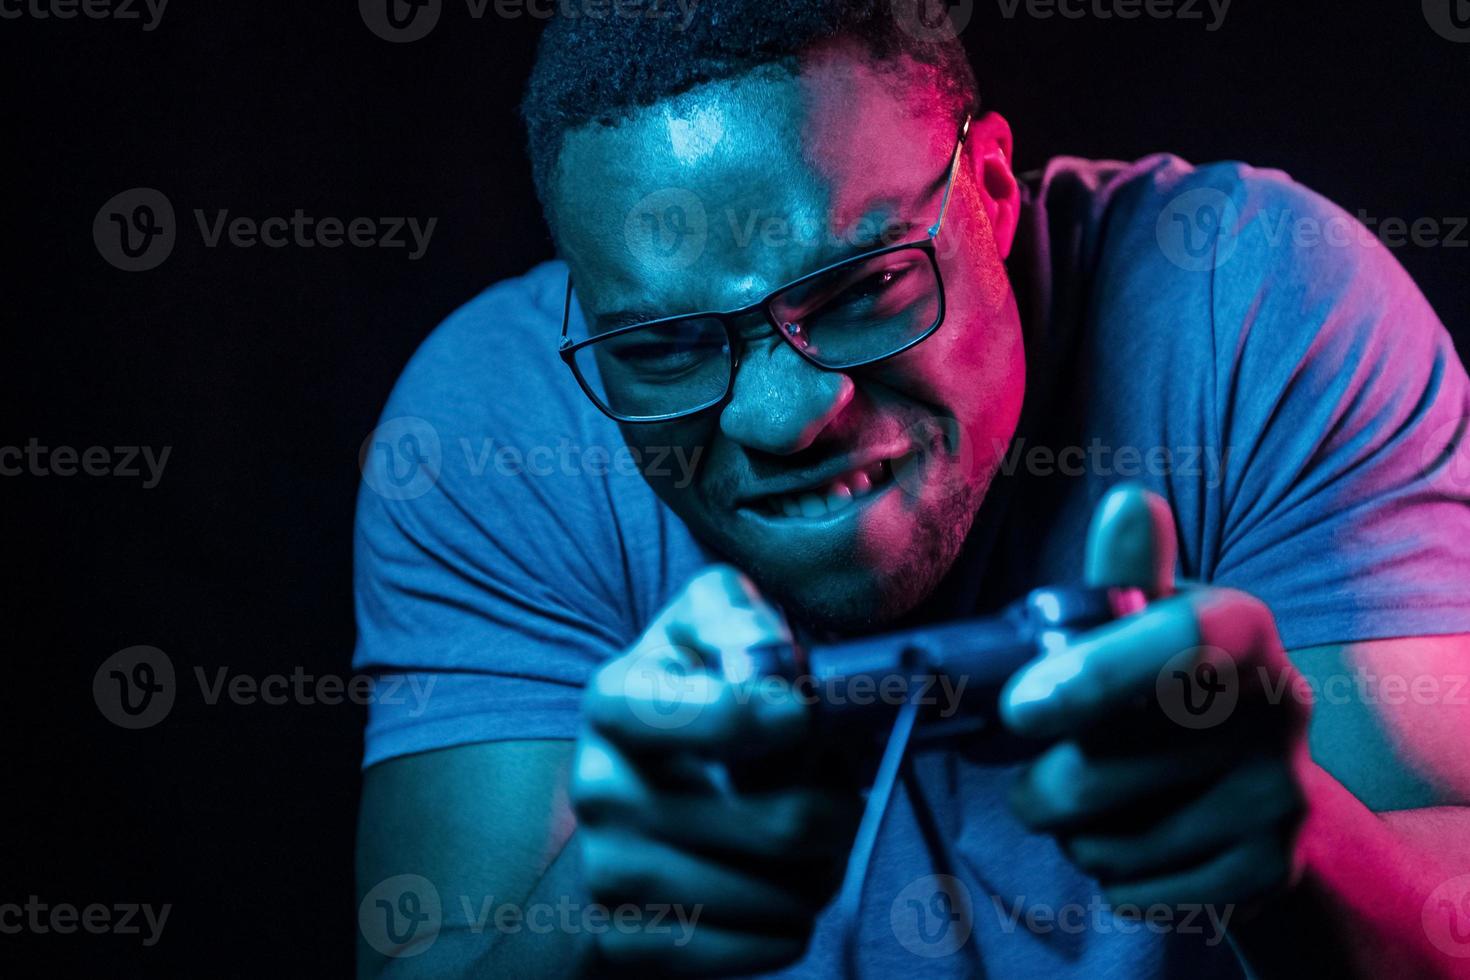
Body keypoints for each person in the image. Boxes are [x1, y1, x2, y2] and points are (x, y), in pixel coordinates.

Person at [352, 2, 1470, 976]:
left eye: (864, 284)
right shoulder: (497, 433)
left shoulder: (1249, 307)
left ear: (988, 191)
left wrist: (1304, 852)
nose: (784, 418)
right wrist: (595, 916)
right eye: (667, 348)